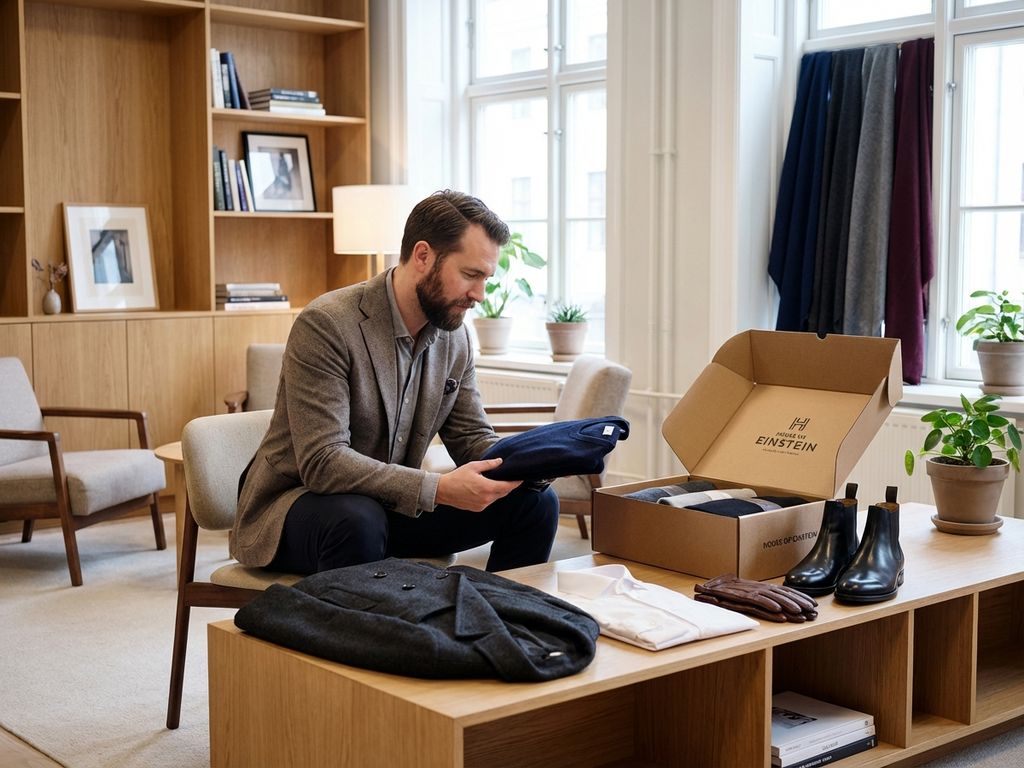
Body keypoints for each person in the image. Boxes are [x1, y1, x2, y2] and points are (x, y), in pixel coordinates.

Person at [231, 190, 560, 575]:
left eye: (485, 278)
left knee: (537, 502)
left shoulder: (455, 337)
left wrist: (530, 461)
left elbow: (472, 439)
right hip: (298, 506)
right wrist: (437, 488)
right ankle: (361, 635)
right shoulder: (326, 324)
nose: (479, 295)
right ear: (423, 256)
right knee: (357, 519)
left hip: (388, 506)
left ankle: (501, 624)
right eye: (470, 275)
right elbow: (323, 462)